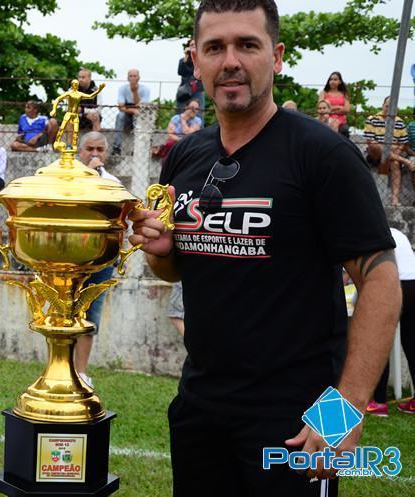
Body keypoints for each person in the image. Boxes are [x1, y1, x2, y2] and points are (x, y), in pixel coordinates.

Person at [129, 1, 401, 495]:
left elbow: (381, 279)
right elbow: (174, 271)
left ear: (275, 57)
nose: (230, 60)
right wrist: (163, 250)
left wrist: (343, 409)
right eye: (215, 47)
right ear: (195, 60)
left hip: (296, 418)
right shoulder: (186, 155)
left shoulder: (322, 154)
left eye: (247, 45)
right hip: (199, 406)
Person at [75, 131, 119, 388]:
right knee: (66, 313)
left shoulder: (112, 182)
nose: (94, 154)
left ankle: (81, 373)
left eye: (99, 150)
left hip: (101, 259)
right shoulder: (69, 178)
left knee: (91, 315)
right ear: (80, 152)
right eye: (89, 149)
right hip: (72, 258)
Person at [367, 227, 415, 416]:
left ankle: (379, 402)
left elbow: (373, 271)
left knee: (379, 341)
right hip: (413, 282)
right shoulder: (397, 232)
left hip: (394, 283)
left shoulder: (370, 232)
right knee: (412, 343)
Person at [364, 96, 413, 206]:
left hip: (393, 155)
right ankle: (405, 161)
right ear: (383, 106)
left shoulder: (400, 122)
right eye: (387, 106)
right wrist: (391, 147)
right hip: (375, 154)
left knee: (395, 163)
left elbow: (403, 144)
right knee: (375, 146)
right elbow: (370, 142)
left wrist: (396, 150)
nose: (389, 109)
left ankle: (394, 199)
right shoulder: (372, 119)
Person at [152, 99, 202, 171]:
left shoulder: (197, 120)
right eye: (192, 107)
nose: (194, 110)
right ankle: (166, 166)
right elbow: (170, 134)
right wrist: (180, 140)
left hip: (189, 143)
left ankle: (159, 150)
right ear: (186, 107)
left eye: (196, 108)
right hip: (175, 142)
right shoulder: (175, 118)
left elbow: (188, 133)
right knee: (170, 143)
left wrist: (183, 120)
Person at [112, 68, 150, 155]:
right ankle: (116, 147)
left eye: (135, 76)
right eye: (131, 76)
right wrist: (133, 110)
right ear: (127, 78)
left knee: (138, 117)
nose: (133, 78)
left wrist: (135, 92)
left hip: (139, 114)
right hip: (127, 113)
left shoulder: (145, 89)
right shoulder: (122, 89)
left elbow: (141, 107)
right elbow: (121, 107)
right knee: (120, 116)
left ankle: (136, 148)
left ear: (138, 78)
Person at [176, 39, 205, 114]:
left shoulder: (201, 59)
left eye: (195, 45)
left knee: (197, 113)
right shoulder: (183, 60)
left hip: (197, 89)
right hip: (184, 90)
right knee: (180, 112)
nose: (193, 47)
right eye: (191, 45)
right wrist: (186, 55)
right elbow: (180, 72)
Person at [319, 71, 350, 138]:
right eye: (331, 79)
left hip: (341, 121)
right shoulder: (324, 93)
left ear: (340, 82)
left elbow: (347, 109)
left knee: (344, 130)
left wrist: (329, 109)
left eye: (335, 79)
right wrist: (339, 107)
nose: (332, 81)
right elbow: (321, 107)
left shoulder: (344, 93)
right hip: (326, 119)